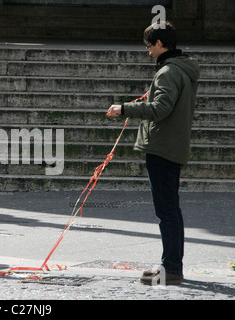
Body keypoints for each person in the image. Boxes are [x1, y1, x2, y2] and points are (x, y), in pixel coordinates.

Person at [107, 22, 200, 285]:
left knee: (167, 211)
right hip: (172, 144)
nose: (148, 52)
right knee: (170, 209)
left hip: (162, 146)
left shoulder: (168, 72)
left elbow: (161, 109)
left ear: (160, 44)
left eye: (149, 46)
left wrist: (124, 109)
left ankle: (170, 269)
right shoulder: (181, 68)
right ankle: (170, 266)